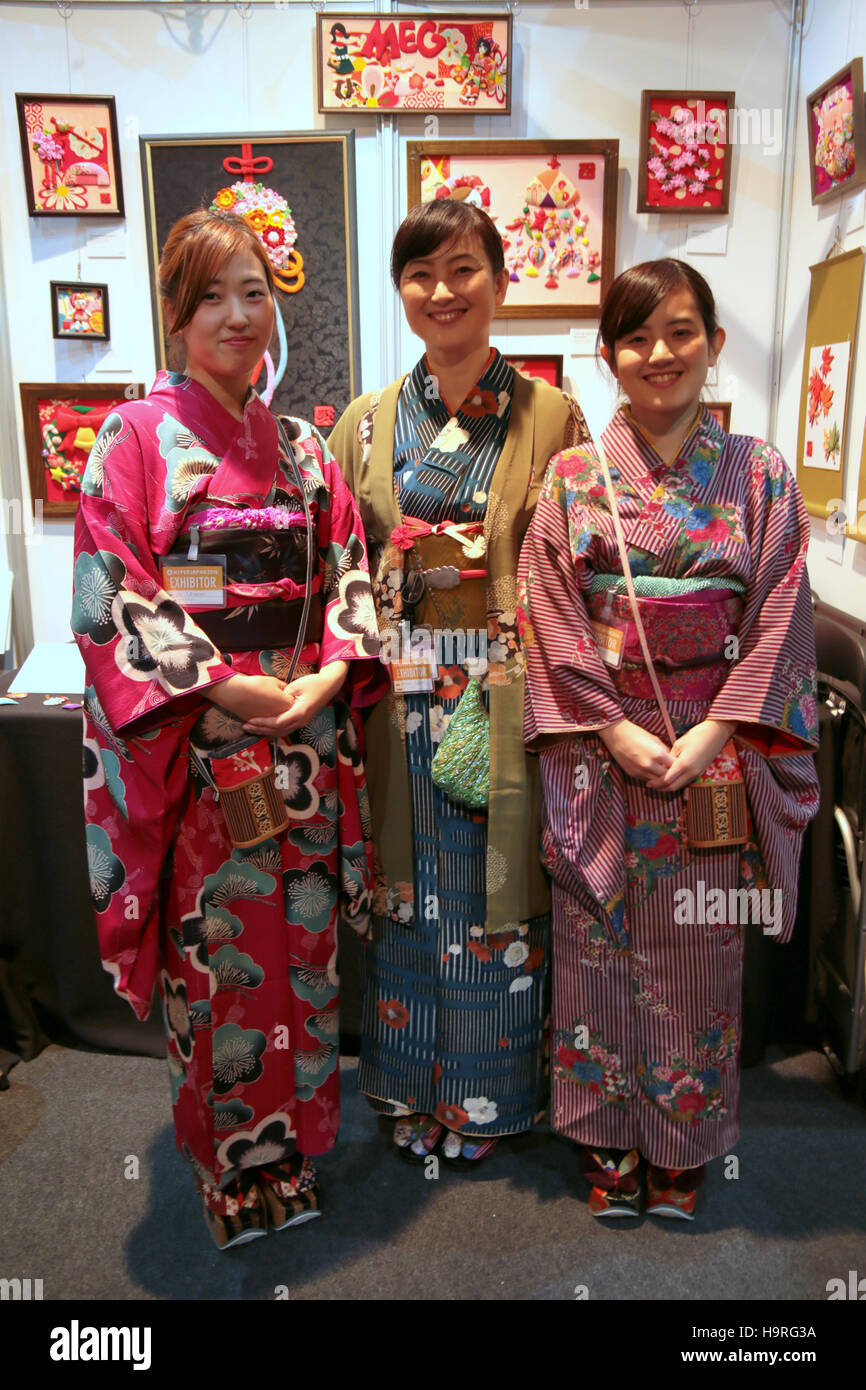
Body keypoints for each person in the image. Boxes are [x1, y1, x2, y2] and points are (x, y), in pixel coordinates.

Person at [71, 209, 380, 1248]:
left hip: (301, 734)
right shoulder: (132, 438)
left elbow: (348, 565)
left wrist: (333, 668)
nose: (237, 316)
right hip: (202, 748)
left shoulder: (299, 442)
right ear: (174, 315)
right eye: (211, 297)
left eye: (254, 292)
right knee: (217, 962)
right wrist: (224, 691)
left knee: (301, 950)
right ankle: (226, 1165)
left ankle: (288, 1151)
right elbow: (109, 592)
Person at [518, 259, 819, 1219]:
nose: (661, 353)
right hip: (602, 752)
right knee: (596, 945)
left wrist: (719, 730)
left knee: (698, 953)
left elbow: (781, 615)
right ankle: (608, 1137)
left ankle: (682, 1138)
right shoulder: (572, 478)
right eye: (638, 336)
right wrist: (609, 728)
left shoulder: (762, 473)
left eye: (682, 332)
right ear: (609, 354)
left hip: (713, 755)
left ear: (714, 345)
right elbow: (547, 612)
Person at [328, 199, 591, 1164]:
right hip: (398, 697)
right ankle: (405, 1087)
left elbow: (577, 567)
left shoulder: (553, 415)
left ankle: (484, 1100)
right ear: (401, 290)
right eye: (420, 273)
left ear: (500, 280)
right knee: (407, 897)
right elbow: (343, 567)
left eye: (464, 268)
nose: (442, 291)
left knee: (496, 898)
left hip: (504, 696)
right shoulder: (366, 422)